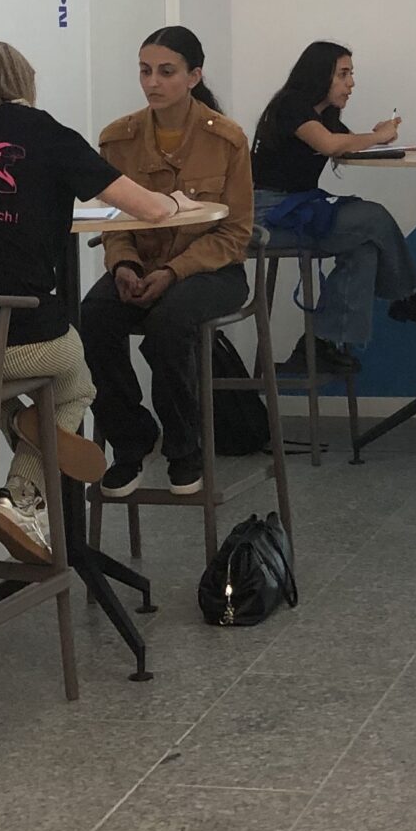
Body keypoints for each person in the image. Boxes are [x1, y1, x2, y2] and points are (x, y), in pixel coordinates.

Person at [0, 40, 184, 563]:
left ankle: (17, 421)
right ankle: (22, 496)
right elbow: (150, 209)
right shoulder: (46, 134)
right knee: (75, 377)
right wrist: (174, 201)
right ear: (23, 82)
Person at [81, 28, 255, 498]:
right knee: (92, 316)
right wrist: (123, 265)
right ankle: (131, 439)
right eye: (145, 71)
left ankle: (184, 447)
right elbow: (114, 223)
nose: (152, 82)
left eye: (166, 71)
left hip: (212, 269)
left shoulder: (227, 139)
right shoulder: (118, 139)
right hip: (140, 263)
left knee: (170, 320)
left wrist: (174, 272)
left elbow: (235, 233)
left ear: (194, 76)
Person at [250, 40, 416, 374]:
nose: (351, 83)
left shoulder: (325, 116)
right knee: (372, 216)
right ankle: (408, 297)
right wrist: (377, 136)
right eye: (343, 74)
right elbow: (329, 144)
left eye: (350, 74)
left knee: (364, 246)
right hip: (266, 215)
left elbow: (348, 147)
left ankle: (319, 344)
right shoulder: (291, 105)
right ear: (319, 74)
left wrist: (380, 139)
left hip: (296, 207)